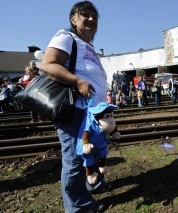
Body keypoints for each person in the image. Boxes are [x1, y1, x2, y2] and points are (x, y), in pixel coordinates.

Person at [40, 1, 109, 212]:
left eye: (94, 16)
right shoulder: (66, 37)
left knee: (91, 153)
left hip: (92, 113)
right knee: (74, 159)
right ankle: (79, 207)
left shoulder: (88, 47)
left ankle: (91, 184)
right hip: (75, 110)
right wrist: (78, 82)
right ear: (74, 19)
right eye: (85, 15)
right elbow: (47, 64)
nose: (90, 19)